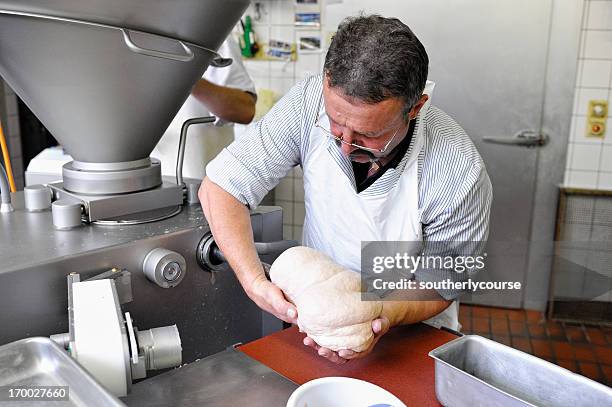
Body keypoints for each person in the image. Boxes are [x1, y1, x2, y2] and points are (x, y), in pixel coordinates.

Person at [199, 15, 492, 364]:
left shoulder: (459, 170)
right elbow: (223, 185)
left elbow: (441, 279)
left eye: (368, 134)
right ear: (325, 83)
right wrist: (253, 280)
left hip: (412, 334)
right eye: (335, 123)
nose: (345, 146)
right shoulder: (308, 103)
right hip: (316, 323)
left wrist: (375, 317)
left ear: (415, 108)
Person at [151, 36, 257, 180]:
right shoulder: (120, 37)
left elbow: (244, 110)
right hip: (140, 183)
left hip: (202, 187)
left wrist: (186, 77)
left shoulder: (213, 34)